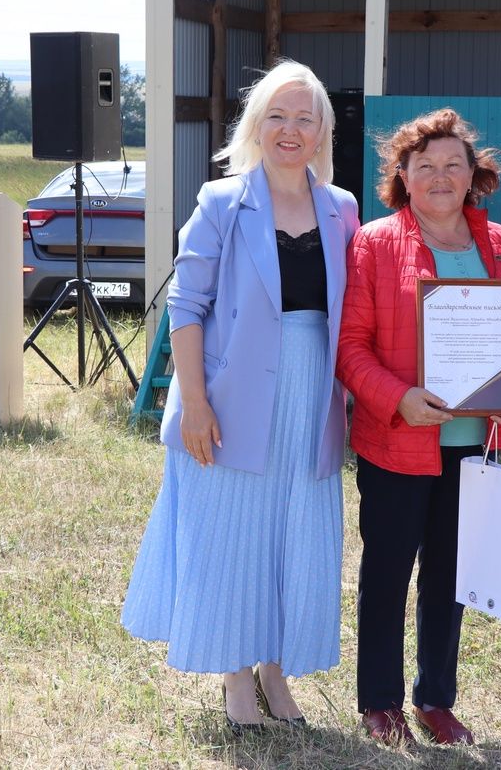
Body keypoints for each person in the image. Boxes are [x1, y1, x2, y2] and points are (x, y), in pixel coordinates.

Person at [121, 60, 359, 735]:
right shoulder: (221, 201)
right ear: (257, 124)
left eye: (304, 117)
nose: (290, 129)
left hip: (312, 396)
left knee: (294, 531)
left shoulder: (341, 209)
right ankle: (236, 673)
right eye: (277, 116)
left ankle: (276, 666)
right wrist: (193, 401)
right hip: (230, 400)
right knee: (234, 532)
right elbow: (186, 304)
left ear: (321, 131)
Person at [337, 108, 501, 747]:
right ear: (403, 175)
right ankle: (379, 701)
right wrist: (398, 398)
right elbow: (351, 347)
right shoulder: (374, 242)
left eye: (454, 164)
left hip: (473, 444)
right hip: (398, 439)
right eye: (425, 166)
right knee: (389, 569)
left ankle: (436, 699)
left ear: (474, 174)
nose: (440, 176)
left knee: (451, 574)